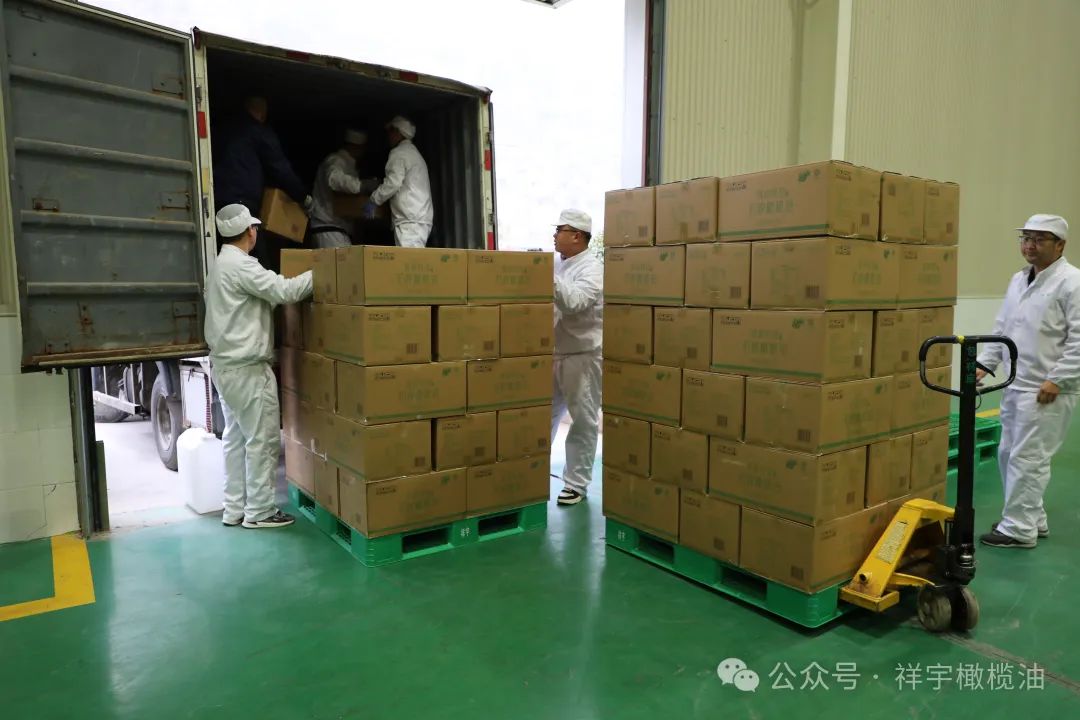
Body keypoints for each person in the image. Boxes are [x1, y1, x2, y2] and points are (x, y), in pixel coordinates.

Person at [205, 204, 314, 529]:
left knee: (236, 439)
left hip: (225, 368)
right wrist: (323, 271)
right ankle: (261, 511)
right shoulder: (242, 267)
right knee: (262, 440)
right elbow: (286, 291)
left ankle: (234, 509)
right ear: (250, 232)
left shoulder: (219, 266)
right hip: (248, 370)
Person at [977, 214, 1080, 548]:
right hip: (1016, 383)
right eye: (1026, 238)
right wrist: (985, 364)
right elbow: (1004, 328)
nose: (1029, 245)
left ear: (1060, 245)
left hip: (1046, 389)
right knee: (1008, 453)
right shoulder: (1019, 279)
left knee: (1028, 458)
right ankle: (1032, 518)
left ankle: (1019, 529)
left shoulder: (1072, 283)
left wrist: (1058, 379)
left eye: (1039, 239)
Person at [212, 96, 311, 269]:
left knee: (227, 256)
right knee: (256, 261)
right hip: (242, 203)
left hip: (217, 203)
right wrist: (302, 196)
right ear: (263, 114)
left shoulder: (223, 130)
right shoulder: (258, 131)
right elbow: (279, 168)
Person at [549, 209, 603, 506]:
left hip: (583, 355)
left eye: (560, 230)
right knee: (545, 414)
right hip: (556, 351)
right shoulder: (560, 264)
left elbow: (574, 302)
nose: (555, 235)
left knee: (582, 419)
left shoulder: (592, 268)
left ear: (577, 236)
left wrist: (546, 277)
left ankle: (576, 484)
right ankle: (532, 469)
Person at [362, 115, 433, 248]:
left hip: (409, 222)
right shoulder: (413, 153)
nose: (388, 136)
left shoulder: (399, 153)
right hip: (417, 219)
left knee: (408, 260)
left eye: (390, 132)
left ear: (398, 132)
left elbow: (392, 183)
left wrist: (373, 200)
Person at [308, 129, 379, 249]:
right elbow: (334, 179)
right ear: (355, 147)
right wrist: (361, 186)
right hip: (328, 228)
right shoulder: (336, 160)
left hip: (337, 230)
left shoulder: (349, 164)